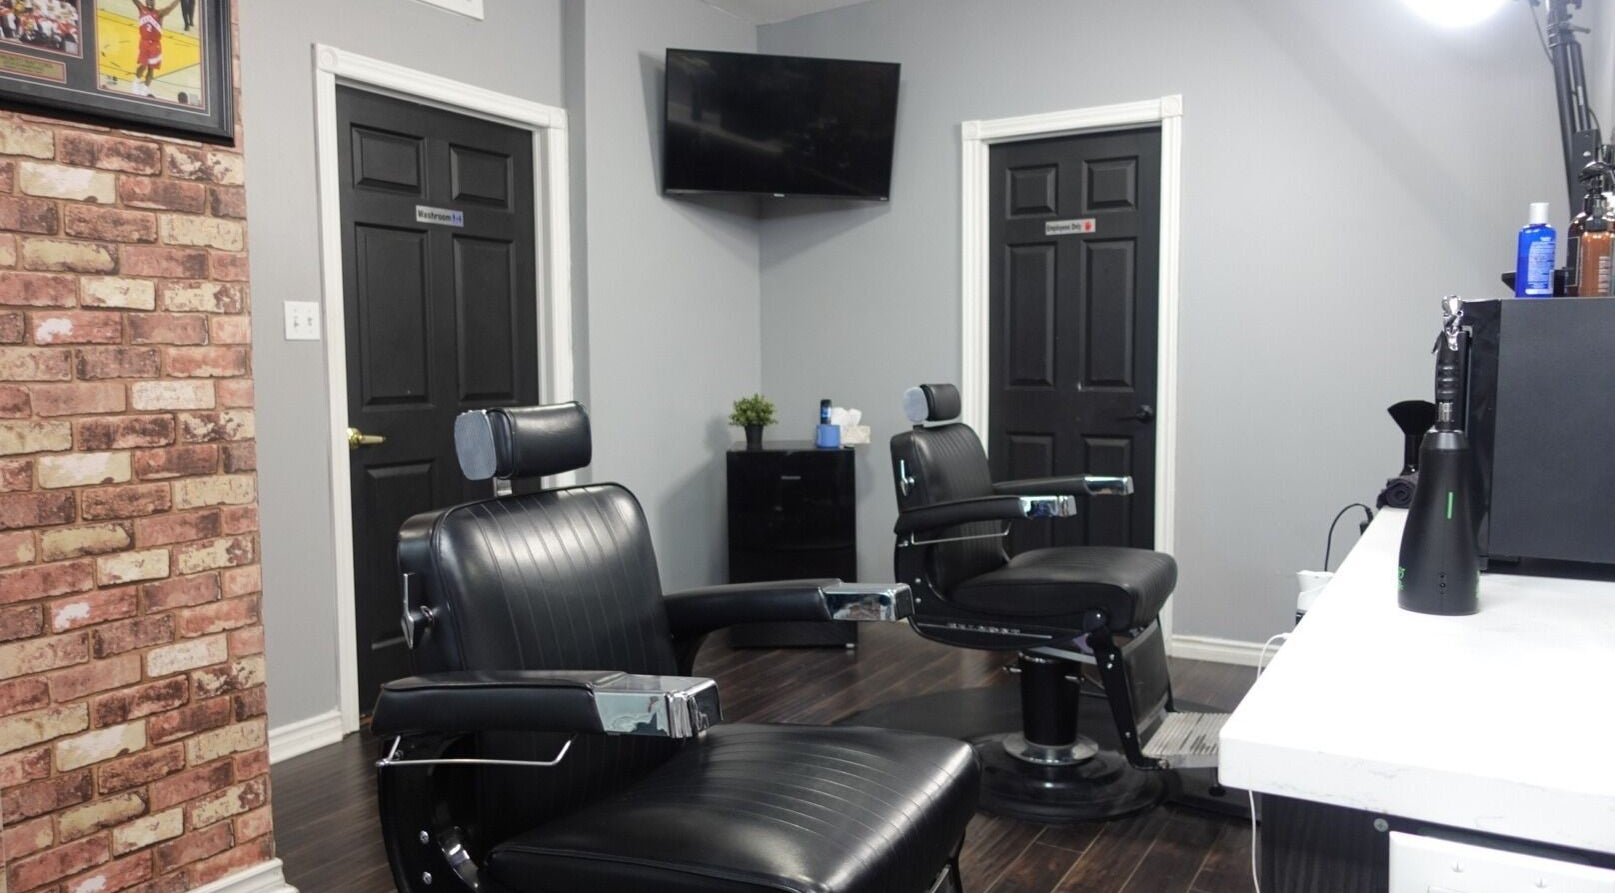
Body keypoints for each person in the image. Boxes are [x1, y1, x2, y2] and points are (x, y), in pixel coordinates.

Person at [130, 0, 179, 98]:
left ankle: (145, 89)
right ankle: (136, 82)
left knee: (151, 69)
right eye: (148, 1)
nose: (150, 3)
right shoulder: (141, 8)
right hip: (144, 42)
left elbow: (169, 8)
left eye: (152, 1)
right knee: (143, 65)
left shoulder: (159, 14)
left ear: (154, 2)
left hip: (155, 45)